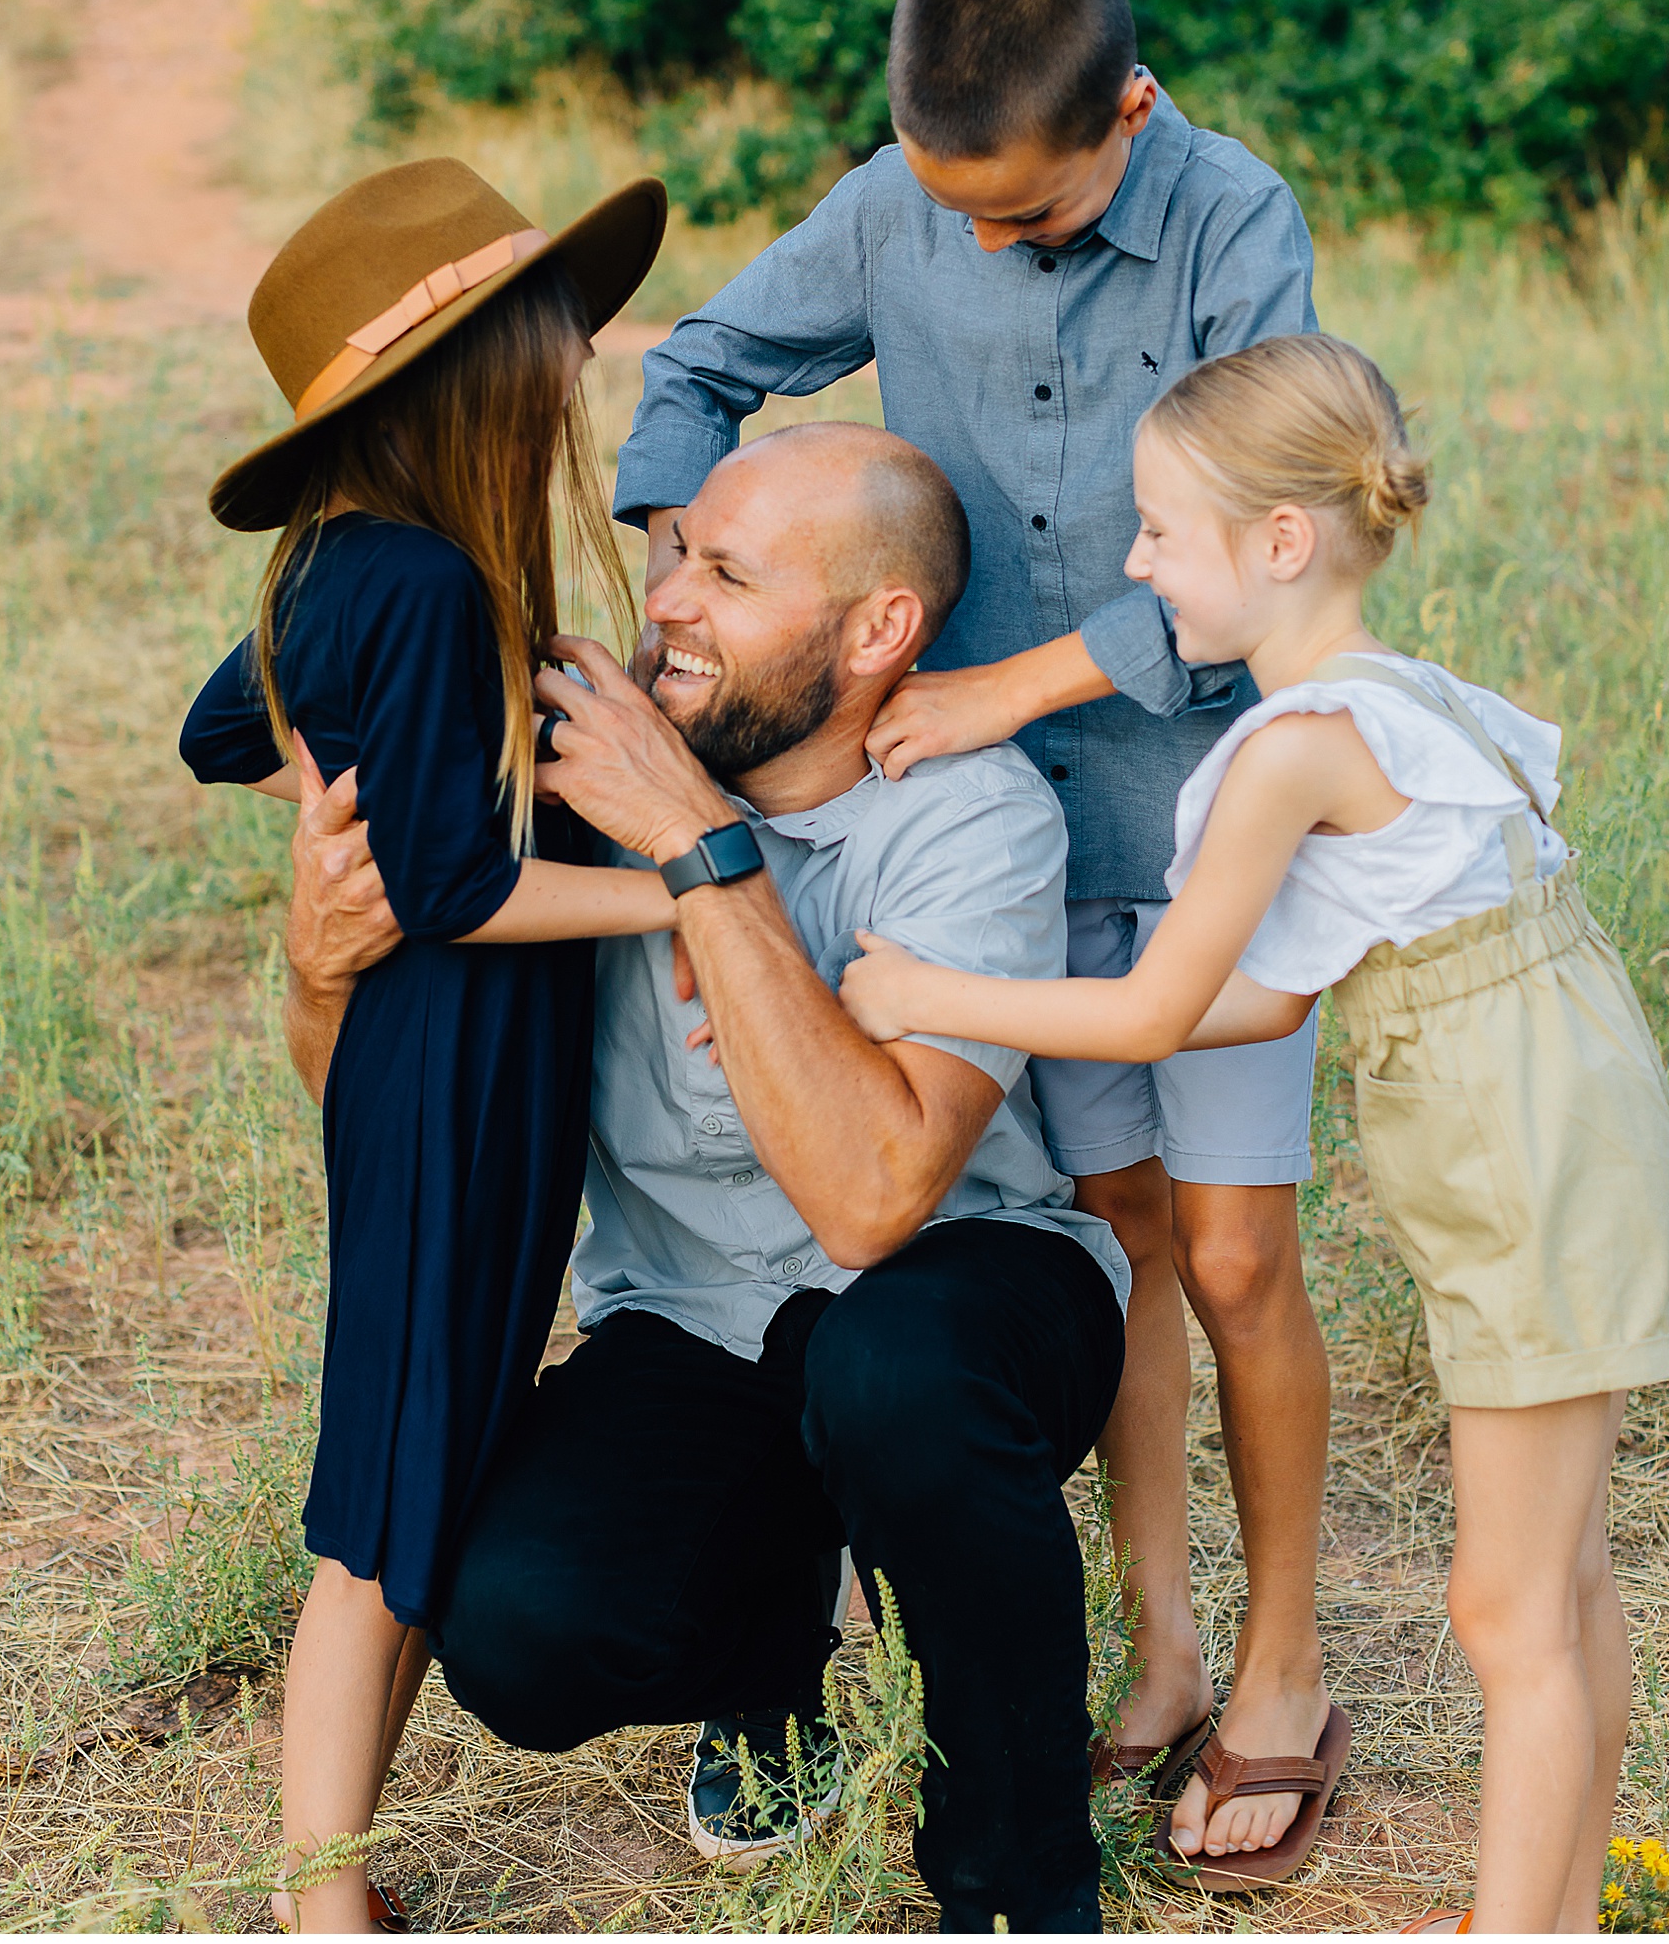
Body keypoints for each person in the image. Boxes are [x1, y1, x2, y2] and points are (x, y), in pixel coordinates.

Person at [613, 0, 1333, 1877]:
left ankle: (1283, 1662)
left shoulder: (1230, 224)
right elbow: (704, 363)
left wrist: (1011, 679)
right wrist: (682, 571)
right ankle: (1164, 1639)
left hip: (1204, 817)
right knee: (1122, 1239)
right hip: (1000, 858)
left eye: (1036, 213)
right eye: (961, 215)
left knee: (1246, 1254)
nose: (992, 246)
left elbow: (1278, 547)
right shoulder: (891, 204)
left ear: (1133, 108)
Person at [839, 332, 1669, 1929]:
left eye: (1157, 530)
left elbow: (1157, 1009)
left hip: (1526, 1163)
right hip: (1564, 1128)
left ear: (1279, 543)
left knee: (1509, 1608)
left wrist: (933, 988)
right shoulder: (1401, 700)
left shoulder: (1291, 748)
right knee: (1561, 1585)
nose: (1135, 562)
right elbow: (1261, 998)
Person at [282, 418, 1133, 1935]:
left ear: (878, 630)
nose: (665, 598)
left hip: (965, 1286)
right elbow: (380, 1097)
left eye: (728, 574)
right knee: (525, 1628)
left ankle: (1017, 1884)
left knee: (891, 1371)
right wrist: (320, 970)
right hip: (695, 1313)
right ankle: (773, 1676)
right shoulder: (551, 798)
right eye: (676, 552)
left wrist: (699, 846)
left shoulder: (972, 817)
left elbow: (873, 1199)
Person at [178, 157, 678, 1935]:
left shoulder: (362, 566)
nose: (578, 346)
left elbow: (217, 722)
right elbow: (460, 888)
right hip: (452, 1064)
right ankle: (321, 1909)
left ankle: (348, 1873)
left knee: (434, 1456)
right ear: (466, 372)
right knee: (382, 1511)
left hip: (461, 1073)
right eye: (547, 322)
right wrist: (687, 893)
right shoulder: (412, 583)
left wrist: (366, 745)